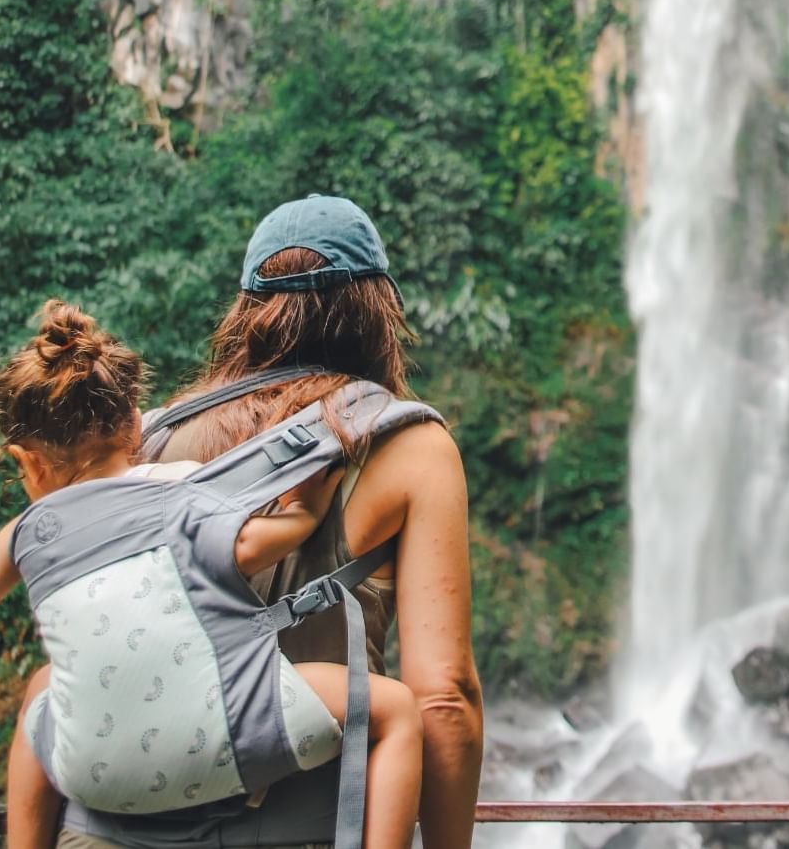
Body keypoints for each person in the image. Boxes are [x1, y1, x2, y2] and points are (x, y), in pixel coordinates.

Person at [0, 299, 426, 849]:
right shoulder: (183, 492)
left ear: (27, 462)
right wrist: (304, 512)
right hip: (234, 743)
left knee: (40, 691)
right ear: (137, 426)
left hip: (94, 776)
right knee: (394, 712)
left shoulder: (29, 531)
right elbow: (253, 545)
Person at [47, 194, 482, 849]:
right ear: (379, 311)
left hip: (110, 829)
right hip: (302, 828)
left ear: (247, 311)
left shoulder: (151, 437)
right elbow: (444, 698)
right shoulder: (407, 447)